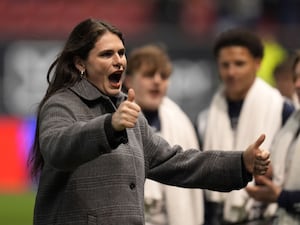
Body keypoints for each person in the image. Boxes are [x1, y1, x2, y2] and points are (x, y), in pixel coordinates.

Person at [28, 18, 270, 225]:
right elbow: (57, 148)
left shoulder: (127, 110)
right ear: (81, 63)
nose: (119, 60)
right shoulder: (61, 104)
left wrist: (240, 163)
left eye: (121, 53)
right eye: (106, 54)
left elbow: (179, 162)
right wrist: (109, 126)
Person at [196, 28, 295, 225]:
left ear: (257, 63)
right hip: (217, 216)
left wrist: (271, 170)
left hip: (267, 215)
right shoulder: (206, 117)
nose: (231, 72)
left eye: (239, 64)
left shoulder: (283, 110)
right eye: (225, 65)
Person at [124, 44, 204, 225]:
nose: (157, 81)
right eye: (148, 75)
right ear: (129, 81)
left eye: (164, 76)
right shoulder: (113, 120)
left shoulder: (181, 123)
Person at [246, 50, 300, 225]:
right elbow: (280, 169)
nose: (297, 84)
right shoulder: (293, 122)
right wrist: (263, 168)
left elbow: (281, 194)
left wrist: (280, 196)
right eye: (295, 78)